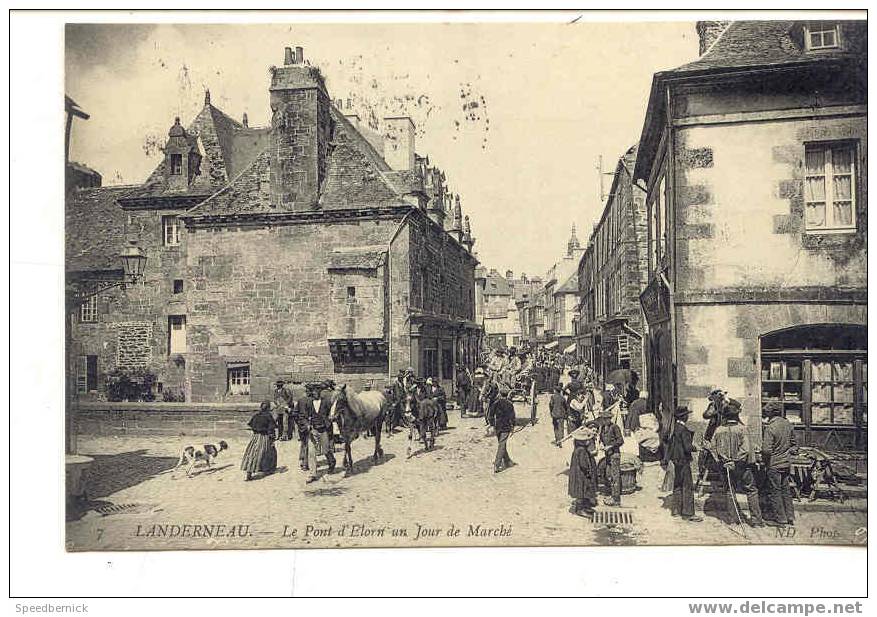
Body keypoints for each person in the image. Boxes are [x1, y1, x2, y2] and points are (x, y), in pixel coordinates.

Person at [706, 398, 764, 527]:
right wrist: (735, 461)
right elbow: (745, 449)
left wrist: (724, 460)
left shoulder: (718, 430)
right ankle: (756, 520)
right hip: (742, 466)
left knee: (729, 491)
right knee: (751, 490)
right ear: (737, 415)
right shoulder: (743, 429)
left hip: (725, 466)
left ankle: (733, 519)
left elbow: (713, 449)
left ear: (725, 416)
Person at [761, 402, 797, 526]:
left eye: (766, 412)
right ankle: (790, 516)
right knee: (786, 490)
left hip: (774, 464)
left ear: (771, 414)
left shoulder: (770, 427)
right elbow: (794, 445)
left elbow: (766, 450)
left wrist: (764, 460)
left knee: (775, 491)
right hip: (786, 463)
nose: (765, 414)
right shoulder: (787, 424)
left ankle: (780, 519)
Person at [665, 406, 703, 521]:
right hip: (683, 461)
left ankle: (676, 510)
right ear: (684, 417)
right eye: (687, 415)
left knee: (677, 485)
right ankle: (688, 513)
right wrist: (697, 448)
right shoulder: (684, 430)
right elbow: (687, 447)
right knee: (687, 486)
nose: (688, 416)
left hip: (676, 460)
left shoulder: (675, 428)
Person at [588, 406, 624, 506]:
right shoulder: (603, 428)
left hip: (615, 454)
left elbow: (620, 441)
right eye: (603, 419)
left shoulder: (615, 427)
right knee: (608, 475)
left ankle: (616, 499)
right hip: (608, 455)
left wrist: (610, 446)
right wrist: (601, 444)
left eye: (606, 419)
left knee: (614, 476)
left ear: (609, 419)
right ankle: (610, 493)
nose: (604, 421)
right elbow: (601, 439)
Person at [302, 383, 336, 482]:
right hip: (313, 430)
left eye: (318, 391)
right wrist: (308, 425)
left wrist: (329, 421)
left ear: (320, 392)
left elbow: (332, 413)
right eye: (314, 391)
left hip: (323, 430)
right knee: (312, 452)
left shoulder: (326, 402)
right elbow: (303, 417)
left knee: (325, 450)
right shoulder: (308, 403)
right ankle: (313, 474)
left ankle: (332, 461)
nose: (316, 393)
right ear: (312, 392)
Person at [241, 401, 278, 481]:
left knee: (252, 453)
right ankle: (268, 469)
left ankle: (249, 472)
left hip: (255, 437)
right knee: (267, 452)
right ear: (268, 408)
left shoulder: (256, 416)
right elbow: (271, 429)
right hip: (264, 437)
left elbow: (252, 426)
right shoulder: (268, 416)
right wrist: (272, 439)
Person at [568, 425, 599, 516]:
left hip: (579, 473)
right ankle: (580, 509)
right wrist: (589, 471)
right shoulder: (581, 450)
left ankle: (585, 507)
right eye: (587, 440)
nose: (589, 441)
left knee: (583, 490)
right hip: (580, 474)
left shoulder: (579, 448)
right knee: (581, 490)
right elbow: (583, 464)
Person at [493, 387, 516, 473]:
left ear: (500, 394)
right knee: (502, 445)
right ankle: (497, 464)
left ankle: (508, 461)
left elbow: (490, 414)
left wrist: (492, 424)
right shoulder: (510, 404)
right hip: (506, 427)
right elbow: (512, 417)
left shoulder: (496, 403)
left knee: (502, 444)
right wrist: (513, 426)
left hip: (497, 426)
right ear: (507, 395)